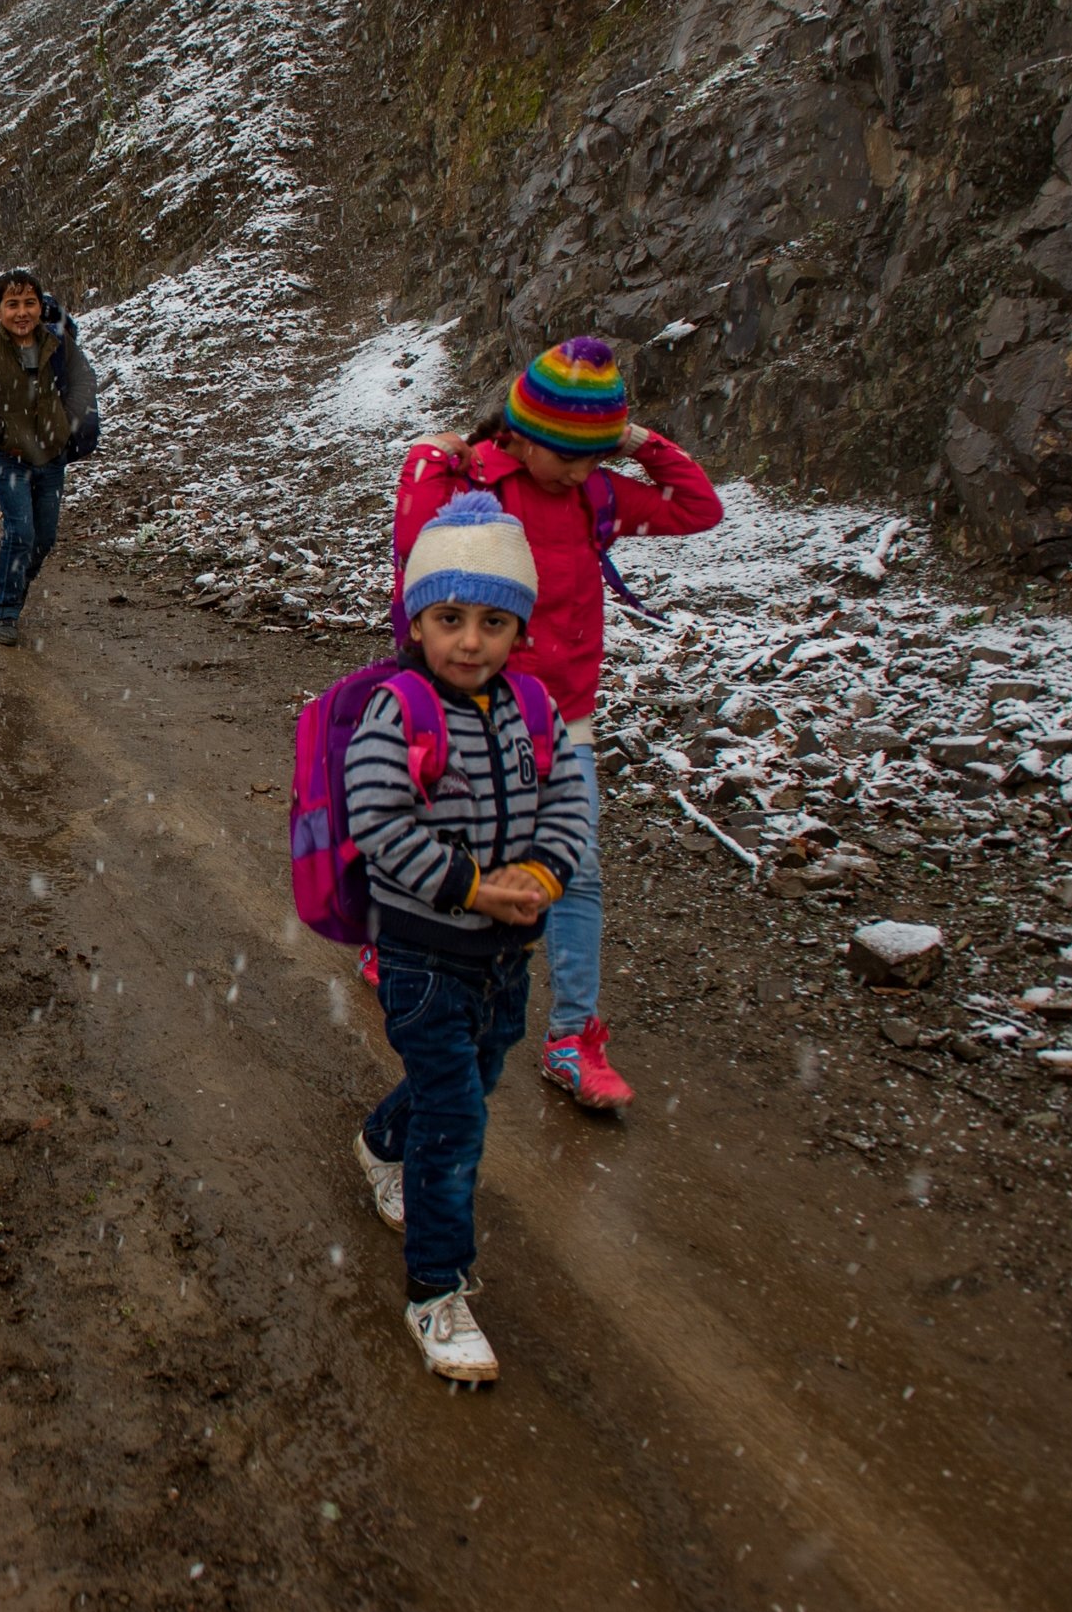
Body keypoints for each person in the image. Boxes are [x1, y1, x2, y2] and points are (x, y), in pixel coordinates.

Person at [394, 336, 721, 1114]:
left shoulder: (595, 495)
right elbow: (414, 555)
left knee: (576, 867)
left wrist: (637, 441)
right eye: (567, 452)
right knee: (446, 842)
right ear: (520, 431)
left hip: (565, 719)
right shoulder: (476, 485)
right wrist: (427, 459)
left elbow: (698, 508)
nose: (580, 467)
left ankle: (572, 1034)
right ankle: (407, 950)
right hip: (474, 709)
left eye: (593, 452)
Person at [348, 492, 594, 1382]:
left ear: (518, 627)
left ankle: (381, 1143)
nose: (470, 640)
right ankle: (436, 1291)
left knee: (475, 1077)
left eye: (494, 621)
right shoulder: (398, 709)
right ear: (416, 617)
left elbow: (568, 800)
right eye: (449, 618)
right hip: (422, 953)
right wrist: (472, 885)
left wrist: (546, 873)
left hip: (503, 956)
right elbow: (377, 819)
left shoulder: (532, 707)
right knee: (457, 1119)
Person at [0, 268, 98, 646]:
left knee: (44, 538)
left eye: (29, 302)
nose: (22, 312)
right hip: (8, 459)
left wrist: (64, 425)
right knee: (21, 531)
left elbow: (84, 381)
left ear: (39, 307)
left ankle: (18, 582)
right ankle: (7, 611)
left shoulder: (57, 345)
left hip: (51, 457)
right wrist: (1, 434)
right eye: (11, 304)